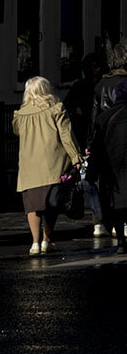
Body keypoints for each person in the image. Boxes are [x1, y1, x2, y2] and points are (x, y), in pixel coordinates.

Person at [12, 76, 82, 256]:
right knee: (52, 203)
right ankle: (46, 240)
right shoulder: (56, 109)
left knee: (33, 206)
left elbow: (17, 132)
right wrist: (76, 157)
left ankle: (34, 243)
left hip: (29, 167)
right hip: (53, 164)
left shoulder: (19, 114)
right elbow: (67, 136)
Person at [64, 53, 107, 237]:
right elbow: (67, 106)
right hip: (87, 136)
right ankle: (99, 219)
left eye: (97, 66)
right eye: (91, 66)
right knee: (93, 181)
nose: (94, 70)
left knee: (96, 181)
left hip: (96, 135)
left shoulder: (99, 85)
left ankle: (101, 220)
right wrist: (76, 111)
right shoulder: (83, 86)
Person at [88, 80, 127, 253]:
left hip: (112, 169)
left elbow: (96, 148)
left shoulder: (103, 118)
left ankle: (121, 240)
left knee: (115, 207)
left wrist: (92, 172)